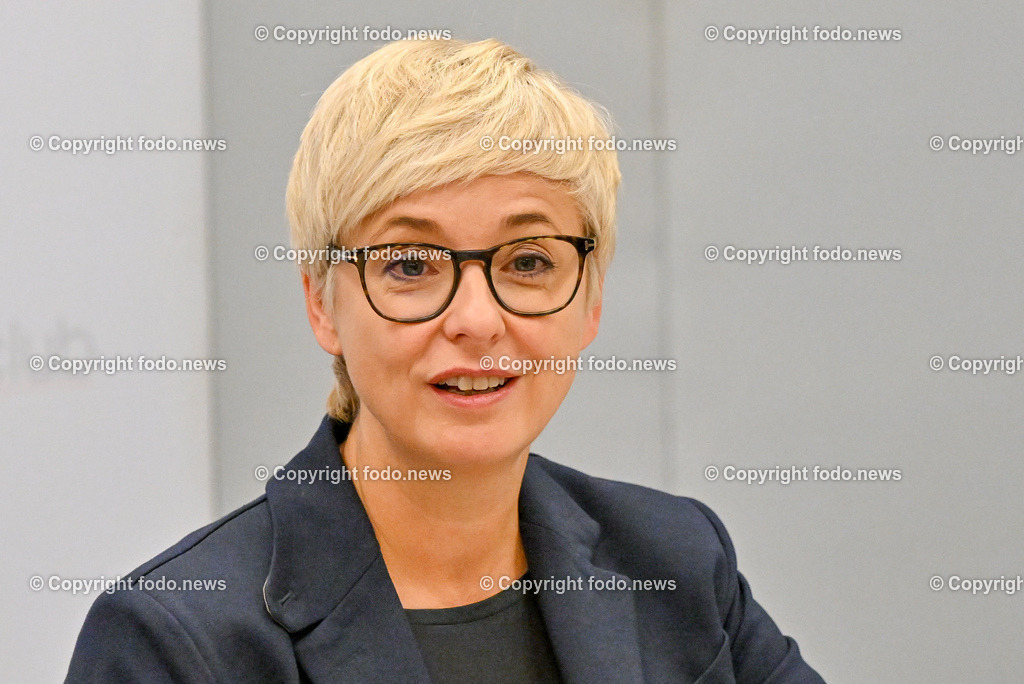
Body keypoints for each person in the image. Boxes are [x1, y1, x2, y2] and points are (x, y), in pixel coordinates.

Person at [66, 38, 825, 683]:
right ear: (322, 304)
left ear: (591, 299)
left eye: (528, 261)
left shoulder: (679, 560)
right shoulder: (176, 640)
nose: (477, 321)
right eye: (410, 265)